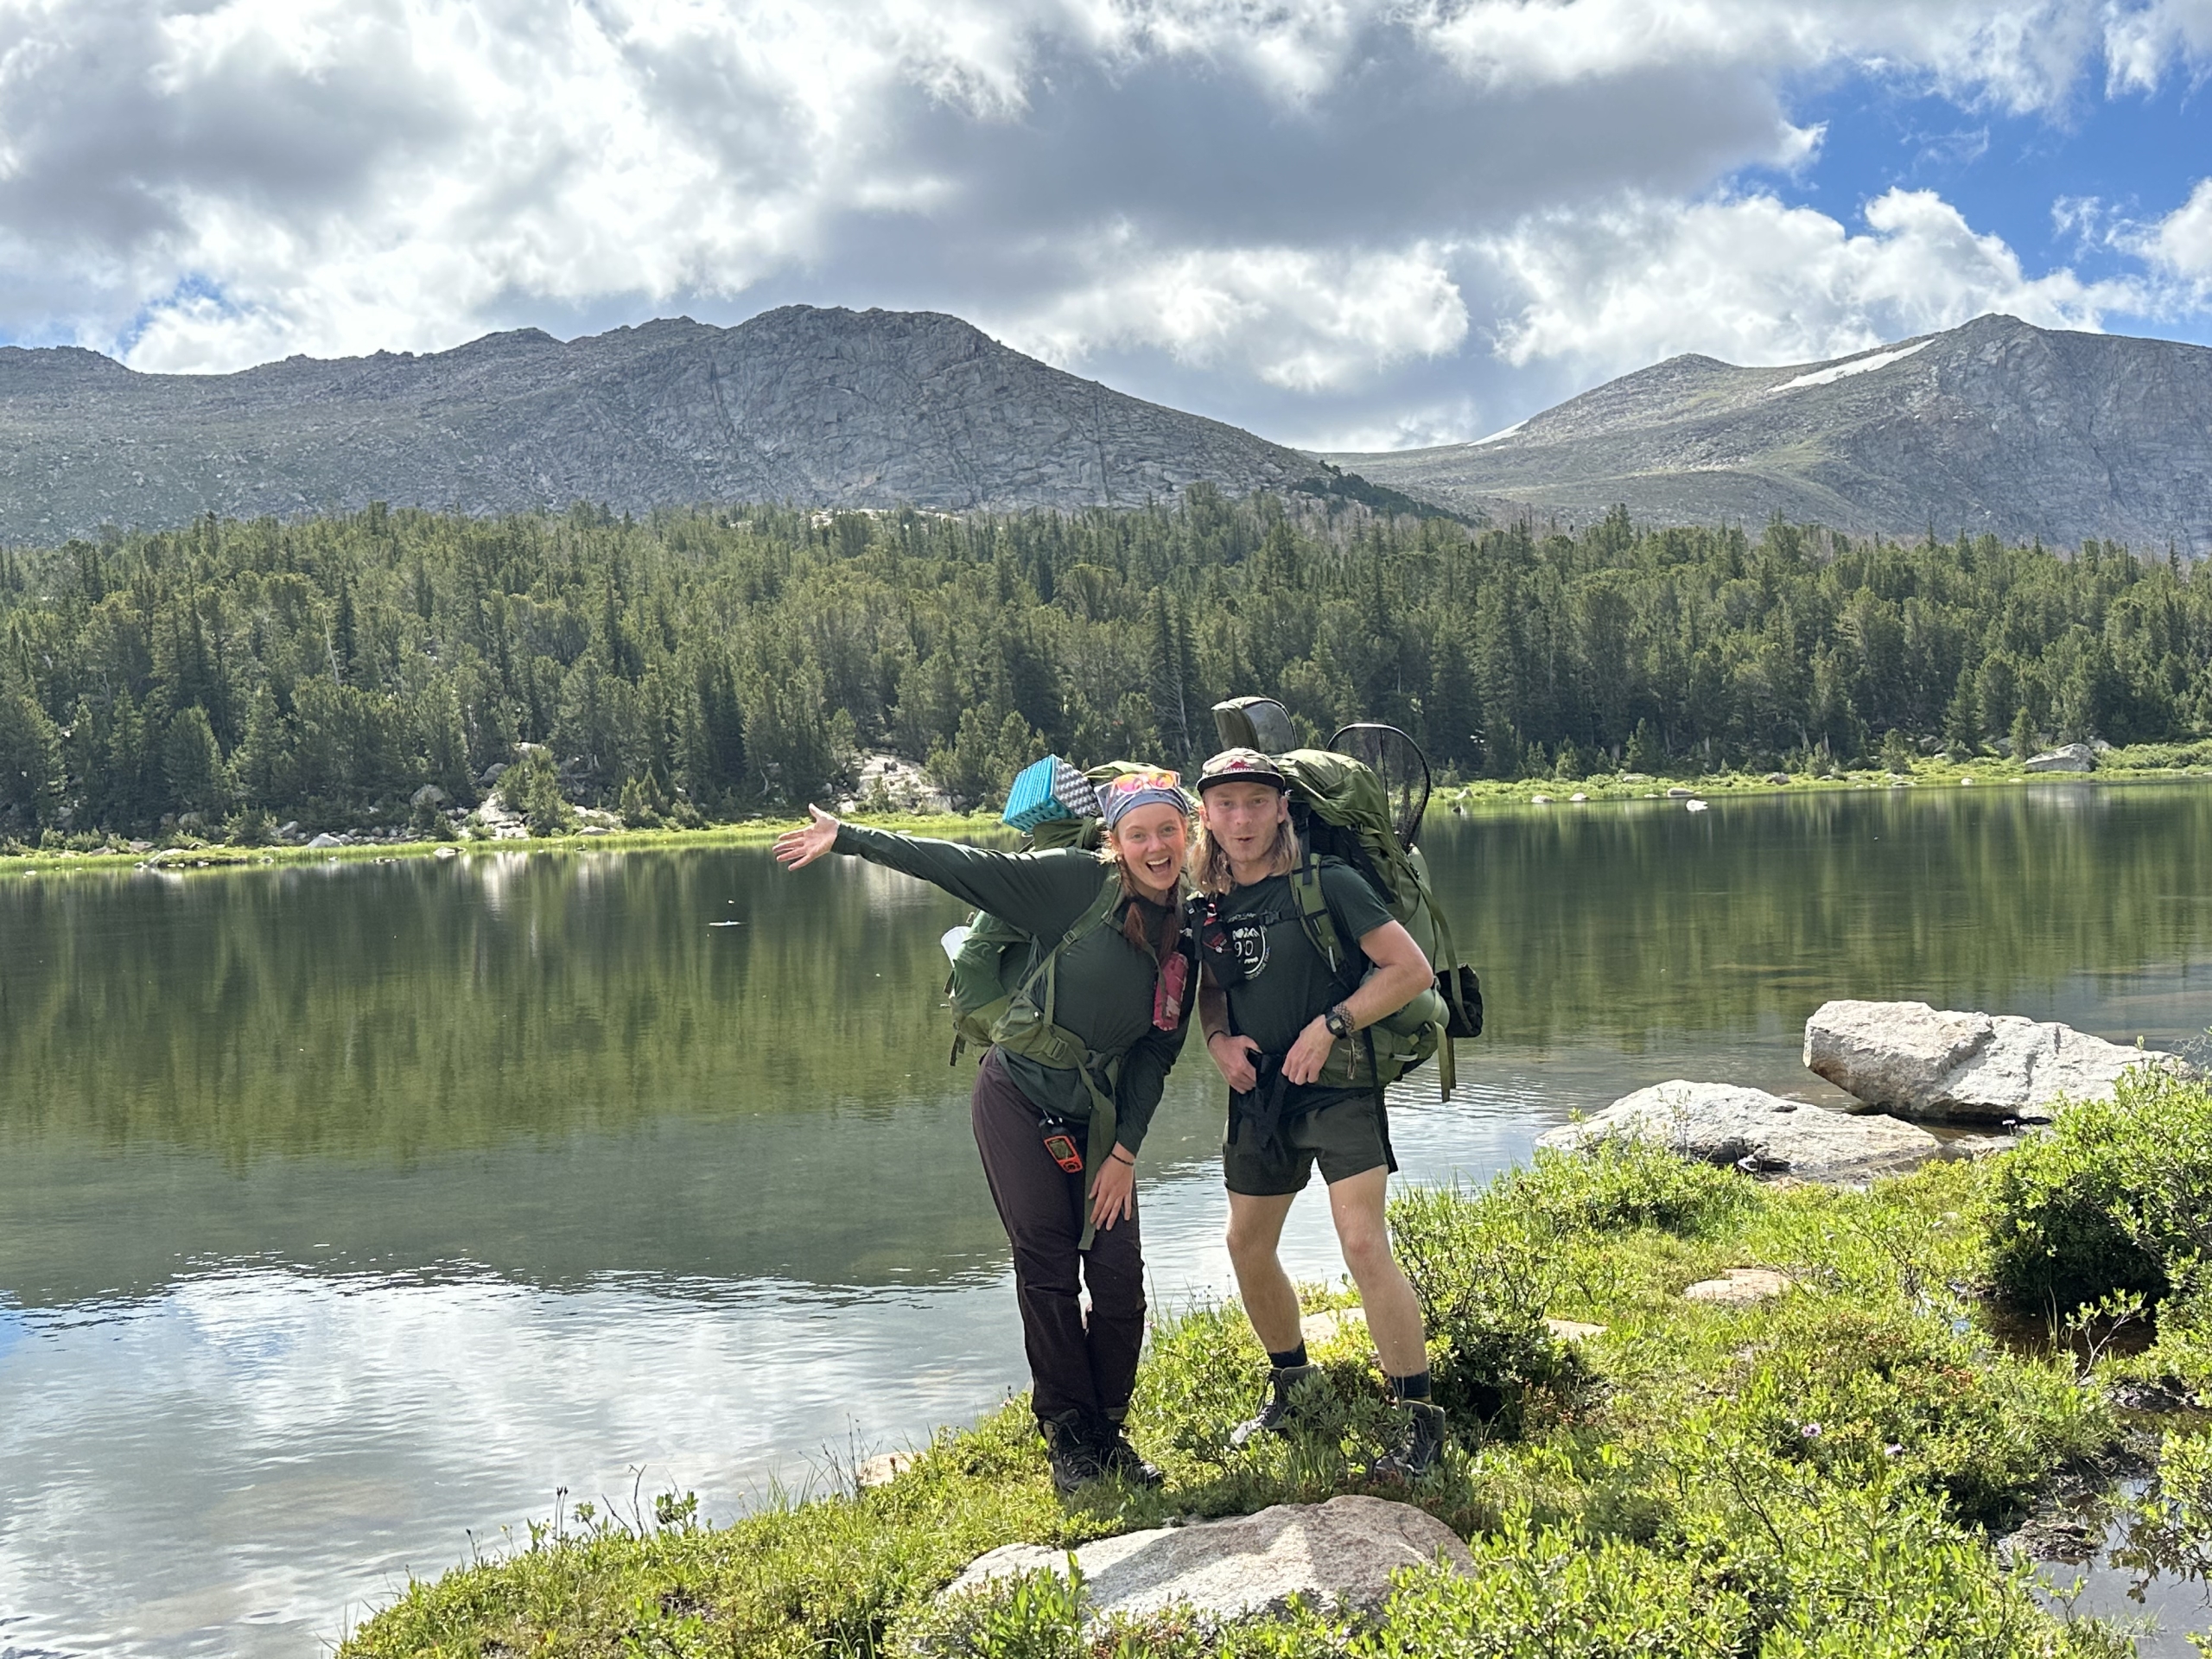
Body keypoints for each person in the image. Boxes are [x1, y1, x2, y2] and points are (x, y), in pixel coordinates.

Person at [772, 772, 1196, 1493]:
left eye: (1168, 831)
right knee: (1048, 1266)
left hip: (1099, 1123)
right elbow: (961, 867)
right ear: (1114, 841)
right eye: (1138, 834)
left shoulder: (1189, 925)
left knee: (1120, 1280)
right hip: (1018, 1099)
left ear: (1189, 835)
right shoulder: (1073, 883)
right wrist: (849, 837)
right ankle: (1070, 1437)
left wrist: (1125, 1153)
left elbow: (1156, 1052)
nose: (1155, 847)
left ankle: (1108, 1432)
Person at [1190, 747, 1447, 1480]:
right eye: (1225, 805)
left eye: (1254, 803)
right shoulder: (1208, 903)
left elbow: (1409, 971)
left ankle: (1421, 1427)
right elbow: (1212, 987)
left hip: (1338, 1085)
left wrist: (1331, 1024)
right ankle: (1293, 1388)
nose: (1240, 820)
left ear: (1280, 809)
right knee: (1246, 1243)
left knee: (1363, 1245)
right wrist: (1216, 1040)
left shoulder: (1327, 882)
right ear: (1207, 815)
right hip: (1259, 1095)